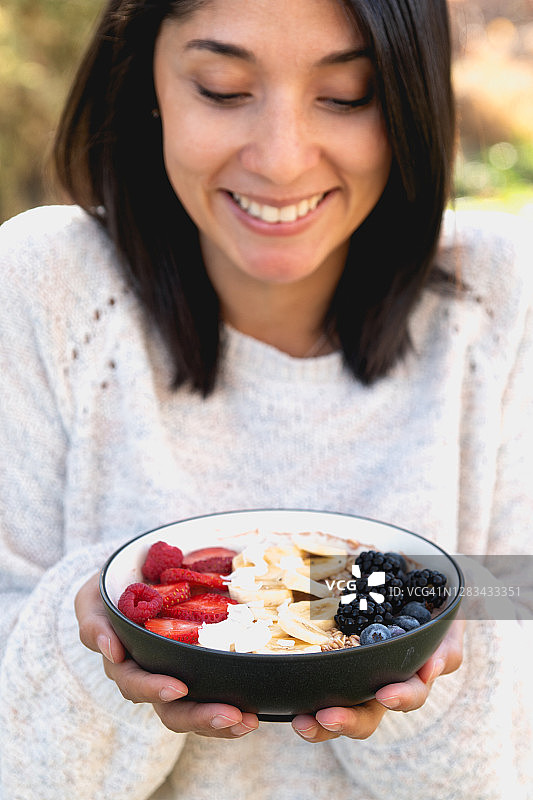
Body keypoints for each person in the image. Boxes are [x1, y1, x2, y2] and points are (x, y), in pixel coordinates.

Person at [0, 0, 531, 798]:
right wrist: (102, 638)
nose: (281, 161)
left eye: (346, 95)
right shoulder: (44, 290)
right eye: (221, 88)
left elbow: (505, 727)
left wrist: (410, 660)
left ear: (410, 98)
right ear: (145, 80)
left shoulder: (503, 301)